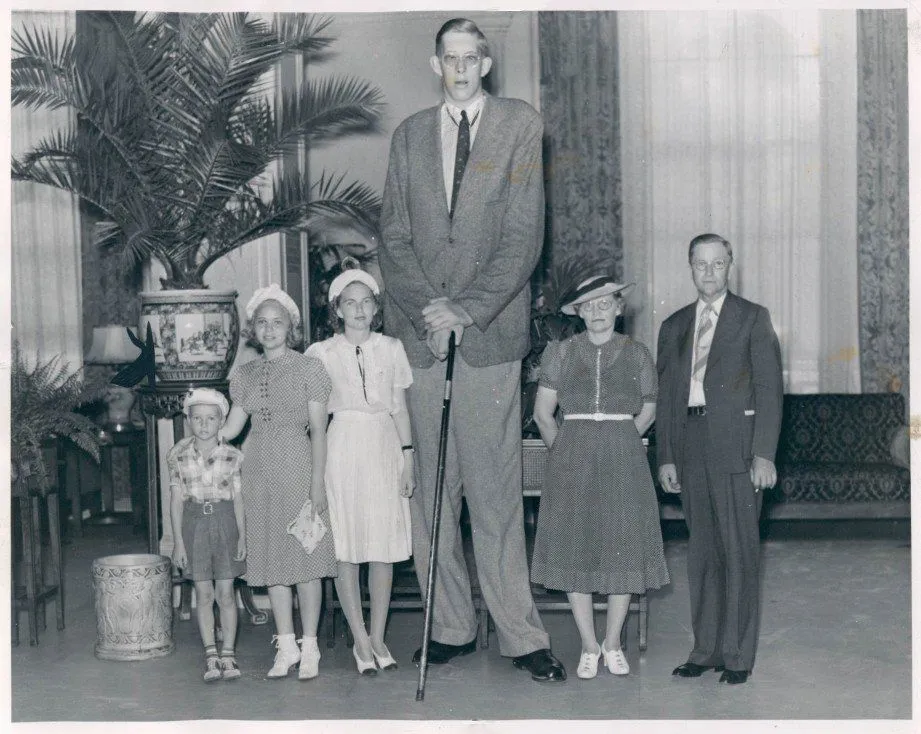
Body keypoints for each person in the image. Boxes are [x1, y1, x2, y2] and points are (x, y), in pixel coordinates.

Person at [379, 18, 565, 682]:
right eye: (449, 59)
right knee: (433, 493)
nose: (460, 69)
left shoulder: (519, 125)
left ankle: (520, 633)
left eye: (471, 58)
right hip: (425, 337)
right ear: (436, 66)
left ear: (485, 63)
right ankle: (450, 626)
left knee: (493, 494)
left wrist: (468, 307)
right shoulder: (407, 137)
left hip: (488, 336)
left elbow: (523, 235)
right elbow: (392, 236)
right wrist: (431, 309)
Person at [656, 233, 783, 685]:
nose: (709, 272)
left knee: (740, 554)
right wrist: (666, 457)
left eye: (717, 263)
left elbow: (769, 391)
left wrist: (763, 454)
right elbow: (669, 398)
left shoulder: (753, 318)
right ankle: (705, 649)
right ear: (690, 268)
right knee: (703, 555)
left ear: (730, 266)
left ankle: (736, 656)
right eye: (700, 264)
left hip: (737, 449)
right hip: (690, 448)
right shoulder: (672, 327)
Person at [530, 275, 670, 680]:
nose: (597, 311)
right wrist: (566, 451)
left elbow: (648, 408)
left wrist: (621, 438)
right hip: (571, 451)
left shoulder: (637, 353)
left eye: (604, 303)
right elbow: (543, 413)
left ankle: (613, 643)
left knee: (621, 543)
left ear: (618, 308)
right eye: (588, 306)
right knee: (576, 544)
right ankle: (589, 646)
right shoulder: (560, 352)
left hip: (622, 454)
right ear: (578, 312)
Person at [222, 284, 338, 680]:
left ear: (292, 327)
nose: (270, 329)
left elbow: (319, 431)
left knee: (305, 559)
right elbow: (233, 428)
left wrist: (317, 484)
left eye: (278, 322)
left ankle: (310, 648)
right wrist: (203, 431)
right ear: (253, 329)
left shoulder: (310, 369)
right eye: (262, 323)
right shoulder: (246, 374)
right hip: (258, 471)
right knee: (271, 560)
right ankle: (285, 645)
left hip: (299, 465)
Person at [305, 267, 415, 676]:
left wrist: (408, 458)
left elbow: (400, 408)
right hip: (343, 447)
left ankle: (379, 635)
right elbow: (315, 418)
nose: (358, 310)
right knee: (347, 547)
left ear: (375, 308)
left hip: (384, 445)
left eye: (366, 301)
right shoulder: (322, 353)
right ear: (337, 309)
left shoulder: (391, 348)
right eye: (349, 303)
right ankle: (360, 640)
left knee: (382, 547)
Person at [168, 388, 247, 683]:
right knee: (203, 594)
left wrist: (243, 536)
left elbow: (239, 501)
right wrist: (178, 541)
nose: (204, 424)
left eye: (211, 418)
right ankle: (211, 654)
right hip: (194, 524)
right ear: (188, 420)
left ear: (221, 420)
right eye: (197, 418)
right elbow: (176, 502)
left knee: (226, 593)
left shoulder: (234, 456)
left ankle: (228, 653)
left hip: (226, 523)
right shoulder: (177, 456)